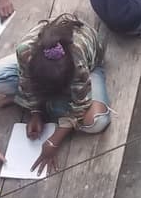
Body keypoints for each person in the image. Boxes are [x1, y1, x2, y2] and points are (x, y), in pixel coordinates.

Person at [15, 15, 110, 176]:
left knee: (97, 120)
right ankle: (53, 108)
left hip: (88, 68)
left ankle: (49, 106)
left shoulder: (77, 62)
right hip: (41, 65)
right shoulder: (25, 52)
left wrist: (55, 140)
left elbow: (80, 104)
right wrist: (35, 112)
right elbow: (26, 80)